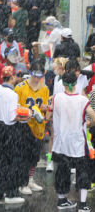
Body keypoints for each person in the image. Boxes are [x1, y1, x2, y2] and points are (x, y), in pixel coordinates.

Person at [47, 71, 95, 212]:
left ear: (63, 84)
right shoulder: (83, 100)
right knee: (83, 172)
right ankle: (82, 205)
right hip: (77, 143)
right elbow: (93, 117)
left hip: (61, 143)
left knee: (62, 171)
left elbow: (48, 115)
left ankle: (62, 201)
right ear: (76, 84)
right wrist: (88, 124)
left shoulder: (55, 98)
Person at [0, 66, 30, 204]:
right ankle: (12, 194)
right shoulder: (12, 95)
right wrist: (27, 115)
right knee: (14, 163)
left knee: (2, 162)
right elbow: (13, 116)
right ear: (13, 77)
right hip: (10, 131)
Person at [14, 61, 49, 195]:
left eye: (39, 76)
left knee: (34, 157)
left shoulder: (44, 88)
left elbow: (45, 107)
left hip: (38, 127)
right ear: (30, 72)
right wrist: (27, 112)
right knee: (23, 156)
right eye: (34, 75)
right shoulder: (20, 87)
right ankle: (22, 183)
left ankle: (30, 180)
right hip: (24, 126)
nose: (36, 79)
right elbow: (15, 107)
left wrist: (45, 109)